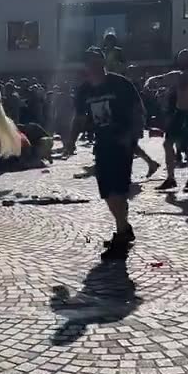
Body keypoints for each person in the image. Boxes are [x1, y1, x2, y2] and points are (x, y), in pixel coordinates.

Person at [66, 47, 144, 260]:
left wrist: (132, 136)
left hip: (122, 144)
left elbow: (139, 110)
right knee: (107, 192)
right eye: (89, 63)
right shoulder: (84, 91)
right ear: (85, 66)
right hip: (102, 144)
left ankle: (120, 237)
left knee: (118, 190)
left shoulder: (120, 84)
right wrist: (71, 141)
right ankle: (124, 227)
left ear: (103, 63)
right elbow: (79, 117)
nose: (93, 67)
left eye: (96, 62)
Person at [145, 50, 188, 193]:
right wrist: (150, 80)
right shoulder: (177, 75)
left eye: (183, 59)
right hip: (180, 113)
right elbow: (161, 79)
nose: (180, 62)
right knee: (167, 143)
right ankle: (171, 178)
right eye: (179, 59)